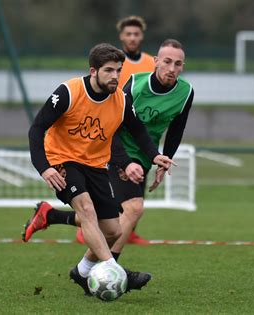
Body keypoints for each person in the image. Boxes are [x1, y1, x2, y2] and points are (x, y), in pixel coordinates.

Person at [23, 43, 175, 296]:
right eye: (109, 71)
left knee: (114, 231)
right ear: (93, 71)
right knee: (87, 208)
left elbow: (138, 131)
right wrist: (44, 168)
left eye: (118, 70)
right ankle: (116, 271)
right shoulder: (69, 92)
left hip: (96, 165)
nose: (115, 76)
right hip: (62, 161)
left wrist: (155, 155)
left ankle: (81, 271)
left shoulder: (121, 100)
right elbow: (36, 129)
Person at [76, 15, 155, 245]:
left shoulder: (151, 63)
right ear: (121, 36)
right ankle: (88, 224)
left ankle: (129, 230)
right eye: (128, 34)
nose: (132, 37)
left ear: (141, 36)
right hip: (113, 126)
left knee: (138, 184)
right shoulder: (112, 60)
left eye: (136, 34)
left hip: (138, 127)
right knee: (110, 182)